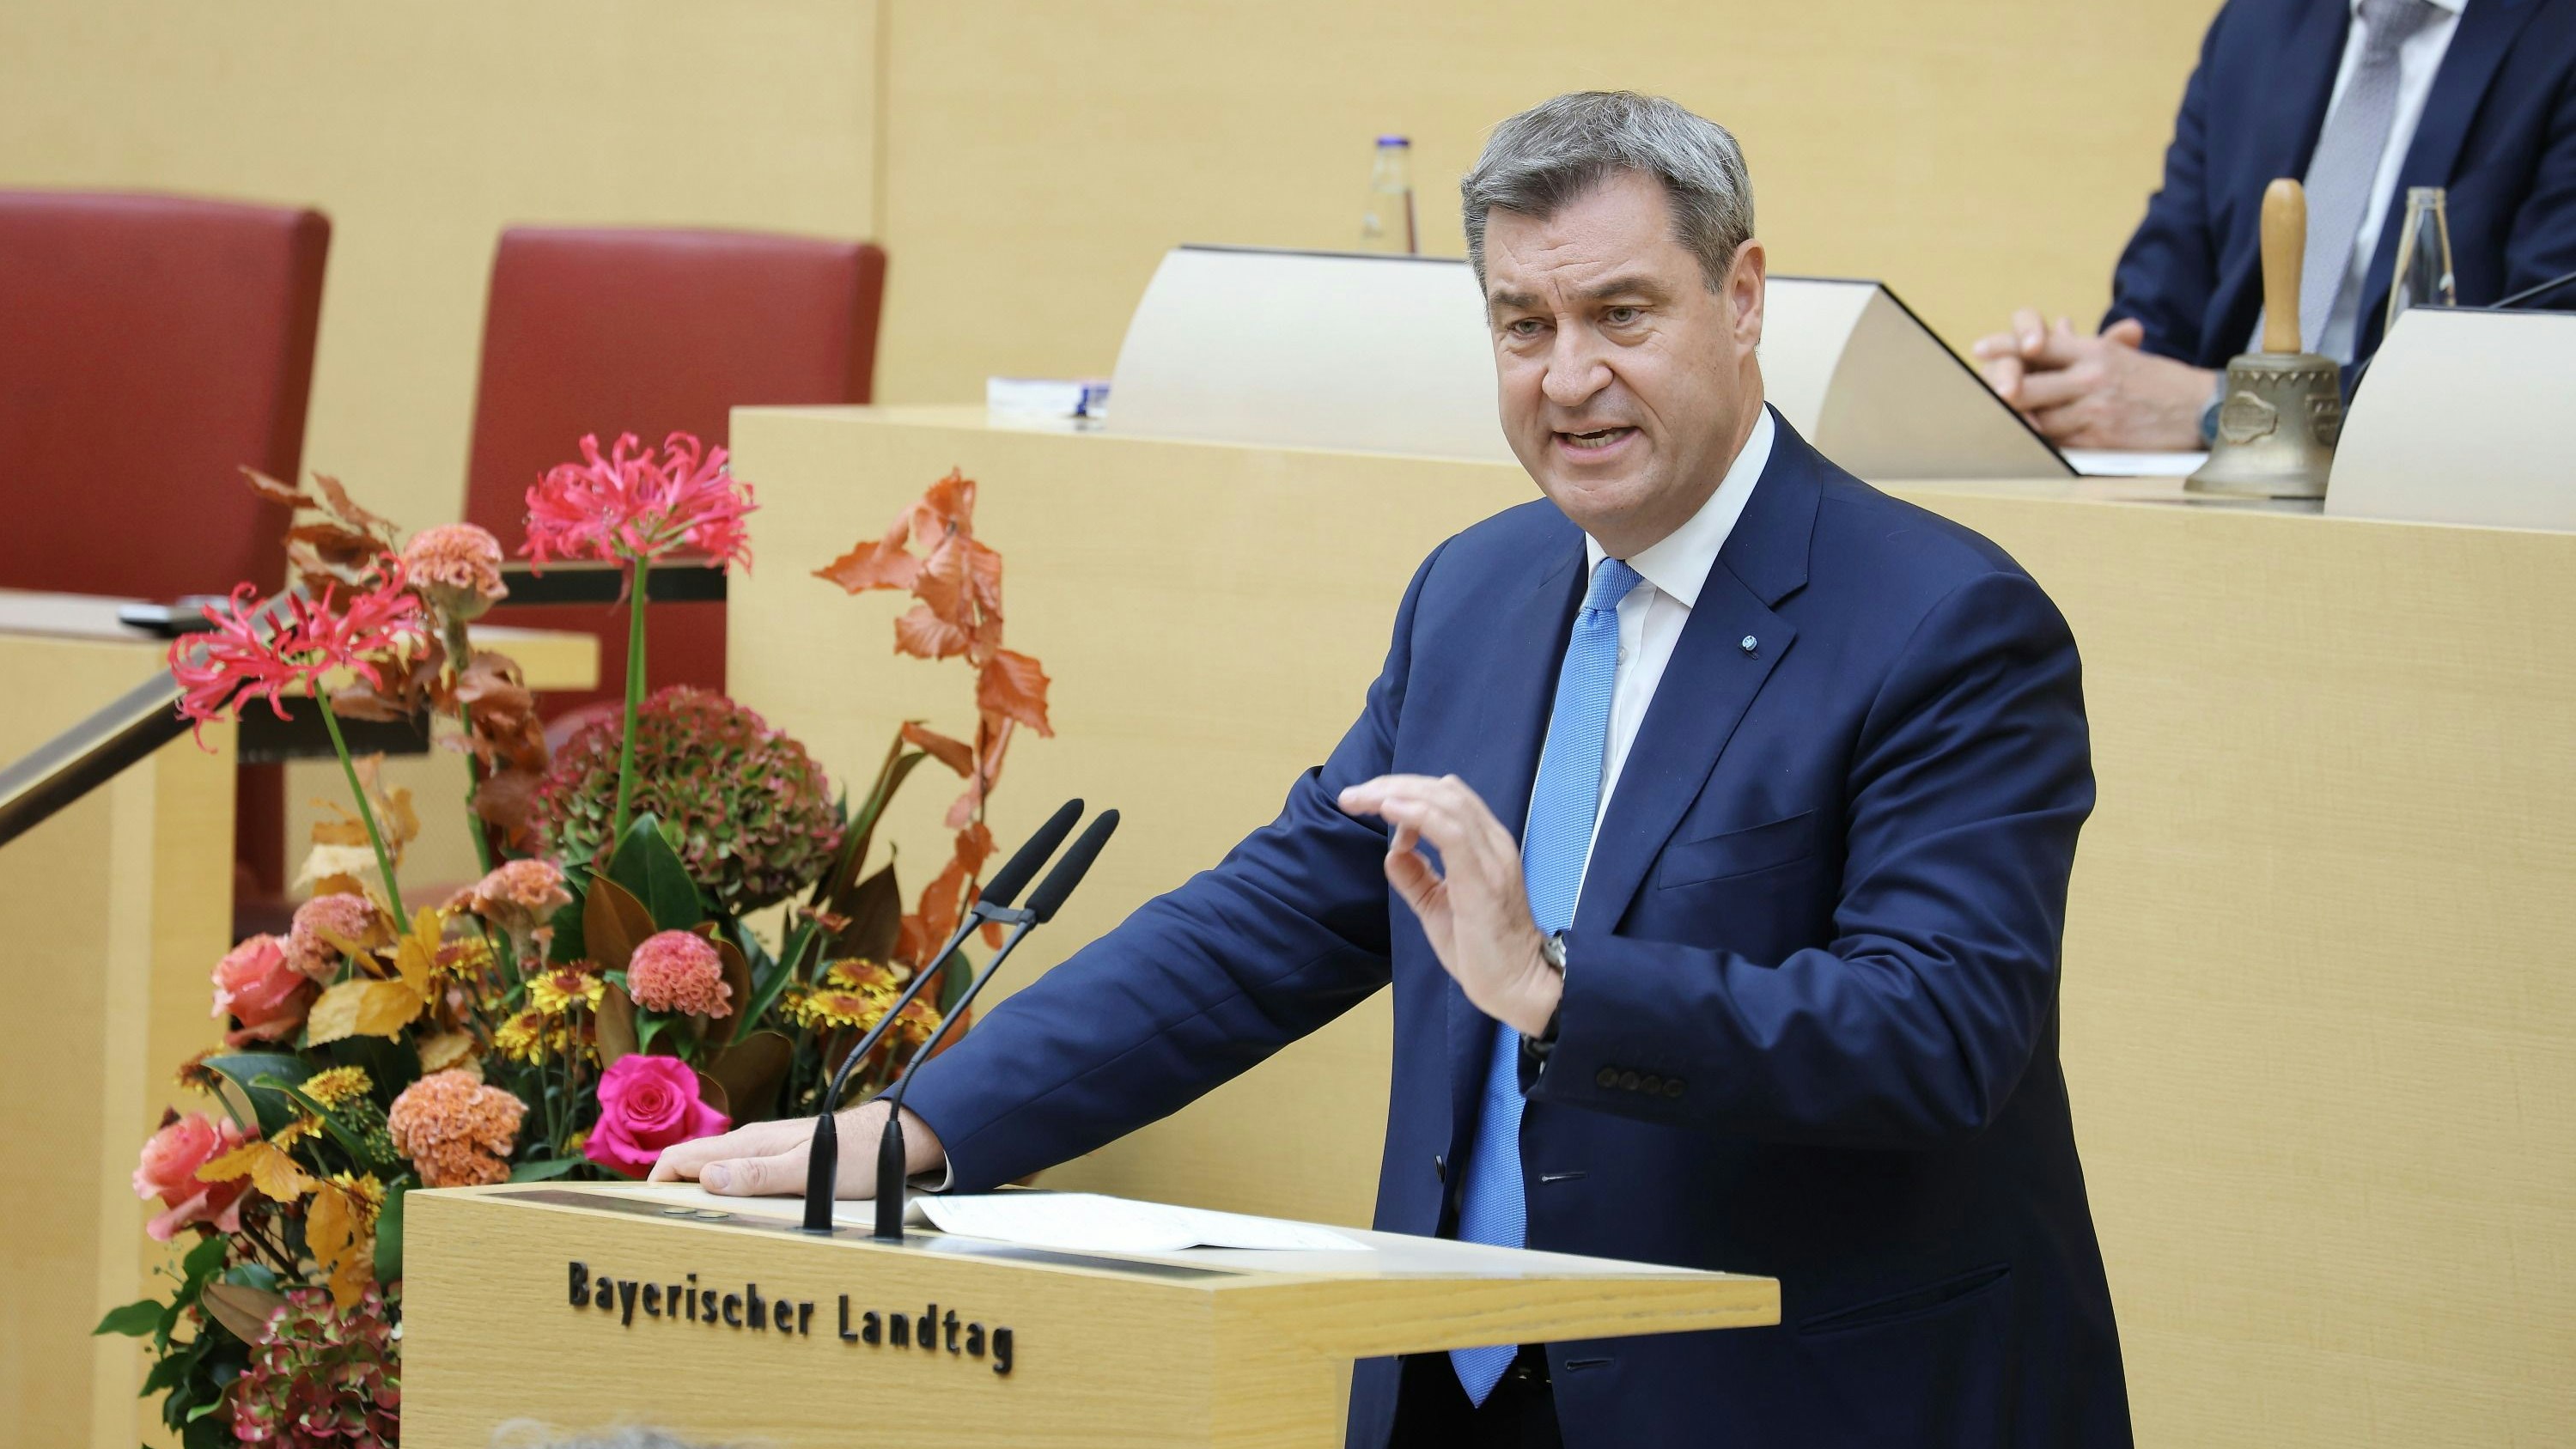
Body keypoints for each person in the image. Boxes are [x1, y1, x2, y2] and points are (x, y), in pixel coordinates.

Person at [659, 92, 2131, 1448]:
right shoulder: (1477, 592)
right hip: (1451, 1374)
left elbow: (1940, 1033)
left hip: (1786, 1394)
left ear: (1743, 300)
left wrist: (1557, 983)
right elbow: (1275, 920)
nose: (1570, 378)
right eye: (1523, 324)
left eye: (1622, 312)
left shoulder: (1943, 622)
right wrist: (924, 1126)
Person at [1974, 0, 2576, 449]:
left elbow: (2543, 364)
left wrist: (2221, 410)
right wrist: (2073, 387)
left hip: (2429, 513)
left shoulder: (2558, 39)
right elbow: (2159, 309)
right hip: (2205, 506)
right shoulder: (2256, 23)